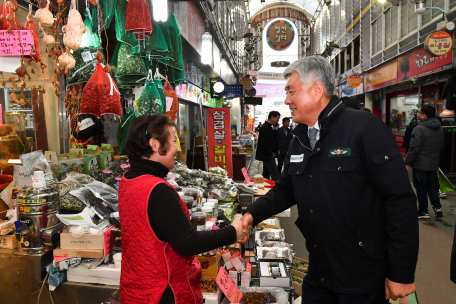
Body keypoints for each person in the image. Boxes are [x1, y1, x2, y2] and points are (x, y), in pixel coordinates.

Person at [241, 56, 418, 303]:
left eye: (291, 92)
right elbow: (285, 190)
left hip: (361, 277)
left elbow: (399, 200)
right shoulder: (299, 138)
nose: (287, 100)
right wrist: (250, 215)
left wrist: (401, 272)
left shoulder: (364, 128)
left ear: (316, 90)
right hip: (319, 273)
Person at [118, 115, 247, 304]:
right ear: (154, 145)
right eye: (173, 142)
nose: (178, 148)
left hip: (137, 287)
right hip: (163, 292)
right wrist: (233, 232)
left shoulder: (128, 179)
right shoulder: (157, 190)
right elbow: (189, 243)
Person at [404, 105, 445, 219]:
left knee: (420, 187)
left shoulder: (419, 128)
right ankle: (437, 207)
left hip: (420, 164)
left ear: (424, 115)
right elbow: (441, 146)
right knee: (431, 185)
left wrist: (407, 161)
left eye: (419, 112)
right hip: (433, 163)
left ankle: (423, 211)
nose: (417, 114)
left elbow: (414, 147)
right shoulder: (439, 127)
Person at [256, 111, 281, 181]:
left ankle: (266, 187)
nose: (277, 121)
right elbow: (264, 142)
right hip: (268, 155)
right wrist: (269, 154)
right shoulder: (265, 127)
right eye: (277, 118)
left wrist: (276, 131)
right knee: (275, 175)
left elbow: (272, 139)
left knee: (266, 174)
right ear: (272, 117)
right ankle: (280, 188)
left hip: (268, 155)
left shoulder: (269, 127)